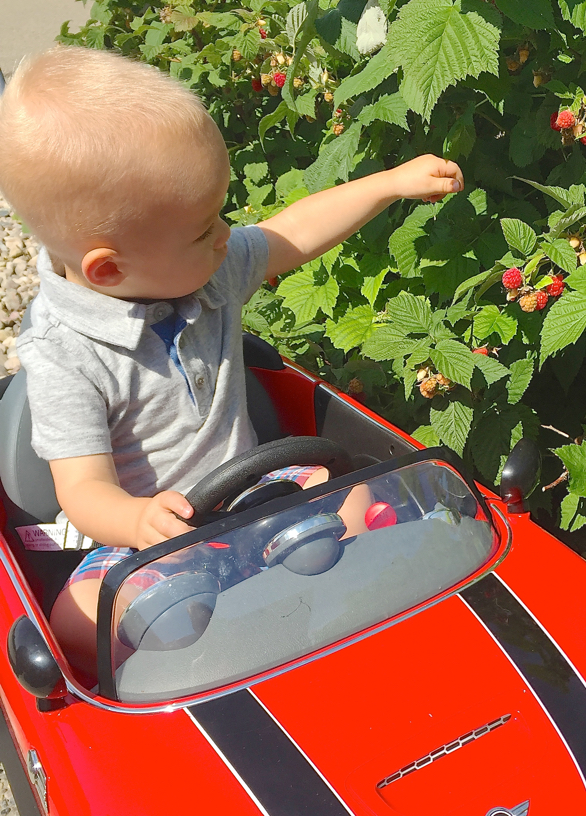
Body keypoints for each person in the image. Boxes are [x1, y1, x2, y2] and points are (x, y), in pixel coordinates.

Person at [0, 45, 464, 680]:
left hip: (256, 485)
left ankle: (371, 626)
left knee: (368, 497)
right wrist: (136, 517)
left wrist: (388, 184)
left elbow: (291, 233)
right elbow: (81, 491)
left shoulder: (200, 268)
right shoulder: (64, 353)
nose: (227, 234)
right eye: (202, 229)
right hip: (156, 535)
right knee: (74, 622)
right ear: (109, 269)